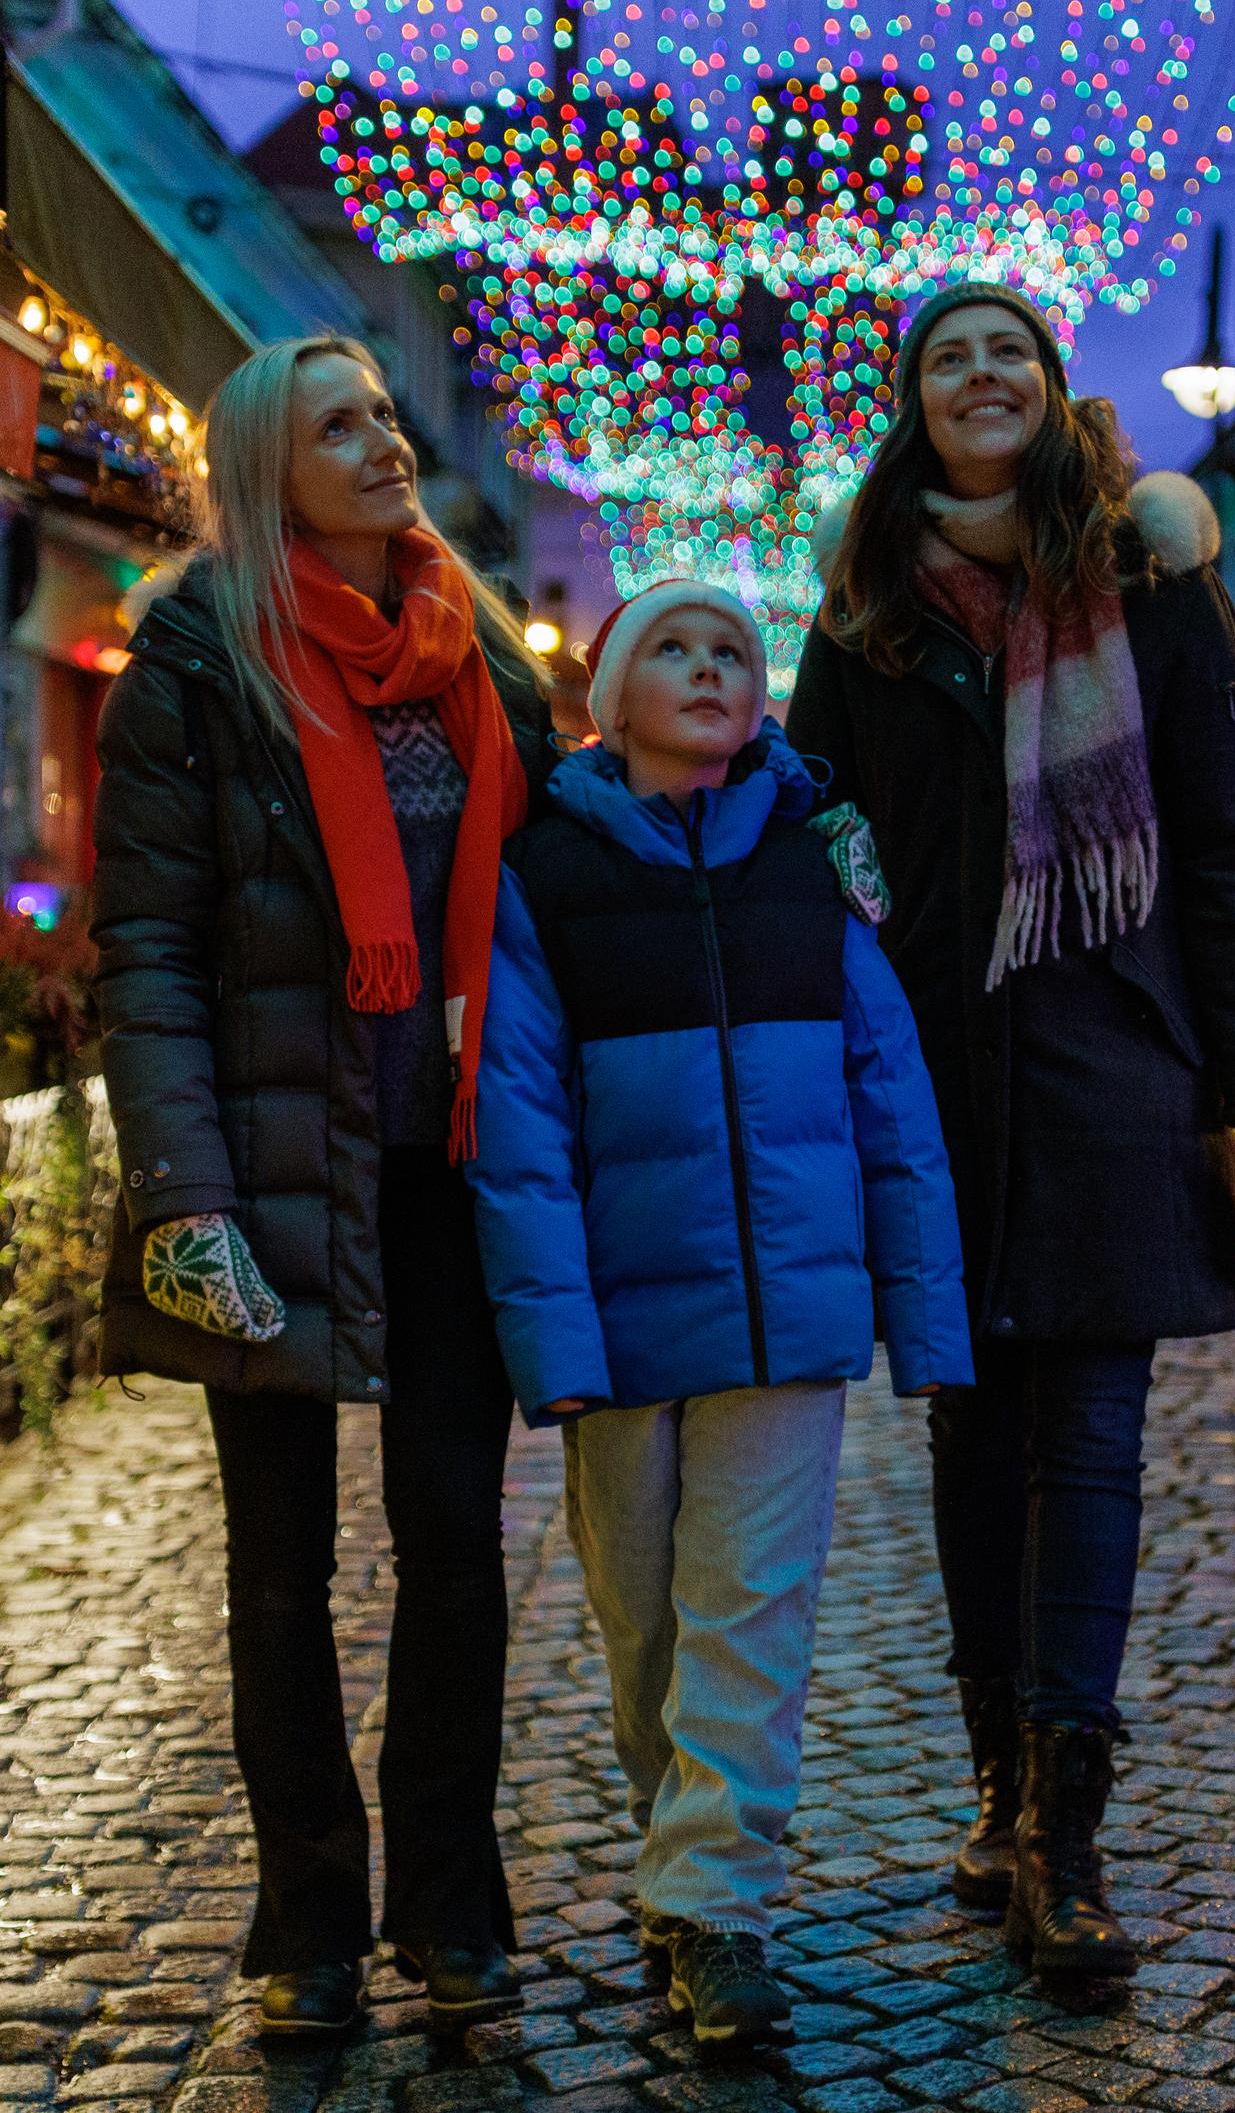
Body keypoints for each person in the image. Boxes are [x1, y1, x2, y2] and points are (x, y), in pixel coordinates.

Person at [785, 281, 1235, 1985]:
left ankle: (1067, 1839)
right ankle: (998, 1787)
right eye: (948, 358)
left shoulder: (1159, 588)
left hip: (1113, 1080)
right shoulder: (865, 610)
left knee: (1086, 1442)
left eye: (1006, 350)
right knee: (969, 1441)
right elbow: (814, 838)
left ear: (1049, 384)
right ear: (915, 402)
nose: (980, 375)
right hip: (937, 1082)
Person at [90, 335, 559, 2041]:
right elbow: (144, 951)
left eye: (381, 413)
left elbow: (559, 883)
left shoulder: (485, 659)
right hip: (270, 1169)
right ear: (262, 468)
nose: (383, 443)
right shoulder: (199, 666)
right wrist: (182, 1198)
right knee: (277, 1565)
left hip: (447, 1168)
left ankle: (452, 1911)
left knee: (454, 1545)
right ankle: (304, 1925)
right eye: (335, 425)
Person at [464, 580, 970, 2050]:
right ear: (609, 699)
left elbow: (892, 1095)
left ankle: (719, 1912)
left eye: (733, 653)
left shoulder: (813, 868)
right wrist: (552, 1343)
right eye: (673, 652)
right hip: (624, 1329)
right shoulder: (545, 875)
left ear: (762, 699)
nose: (707, 670)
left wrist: (922, 1319)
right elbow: (518, 1121)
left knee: (750, 1616)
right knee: (644, 1627)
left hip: (790, 1323)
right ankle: (677, 1865)